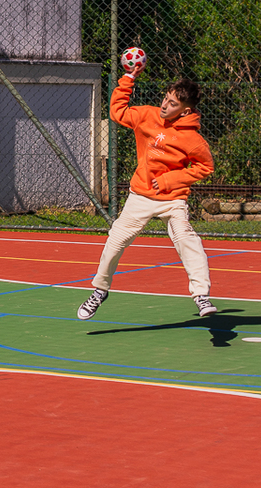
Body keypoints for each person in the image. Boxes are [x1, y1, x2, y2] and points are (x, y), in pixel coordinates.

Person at [77, 59, 217, 320]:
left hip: (172, 199)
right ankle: (100, 290)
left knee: (187, 239)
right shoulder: (146, 116)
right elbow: (117, 112)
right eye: (166, 98)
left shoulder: (193, 139)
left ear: (186, 111)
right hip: (140, 194)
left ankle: (201, 295)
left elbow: (205, 167)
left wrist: (169, 181)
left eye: (173, 104)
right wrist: (129, 78)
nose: (165, 105)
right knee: (115, 242)